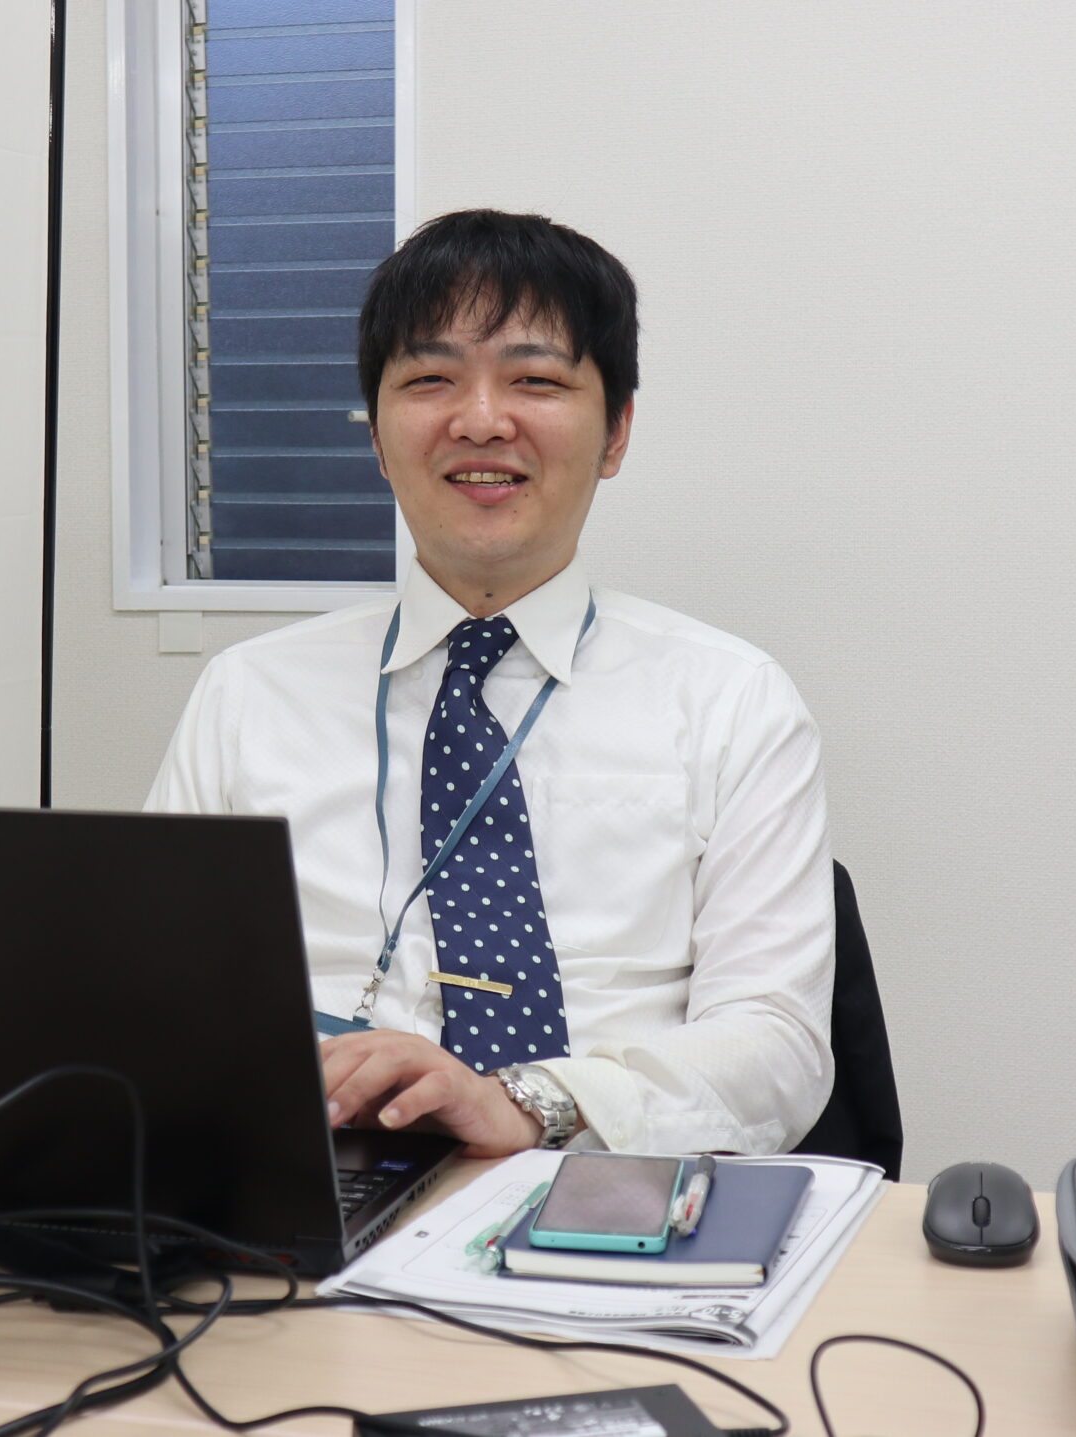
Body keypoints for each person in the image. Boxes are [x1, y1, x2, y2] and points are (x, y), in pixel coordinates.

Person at [147, 209, 832, 1158]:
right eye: (429, 380)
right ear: (378, 436)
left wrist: (525, 1102)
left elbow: (778, 1045)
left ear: (617, 431)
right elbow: (152, 997)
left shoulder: (730, 700)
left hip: (603, 1181)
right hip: (316, 1178)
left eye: (535, 380)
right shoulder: (248, 695)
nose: (479, 420)